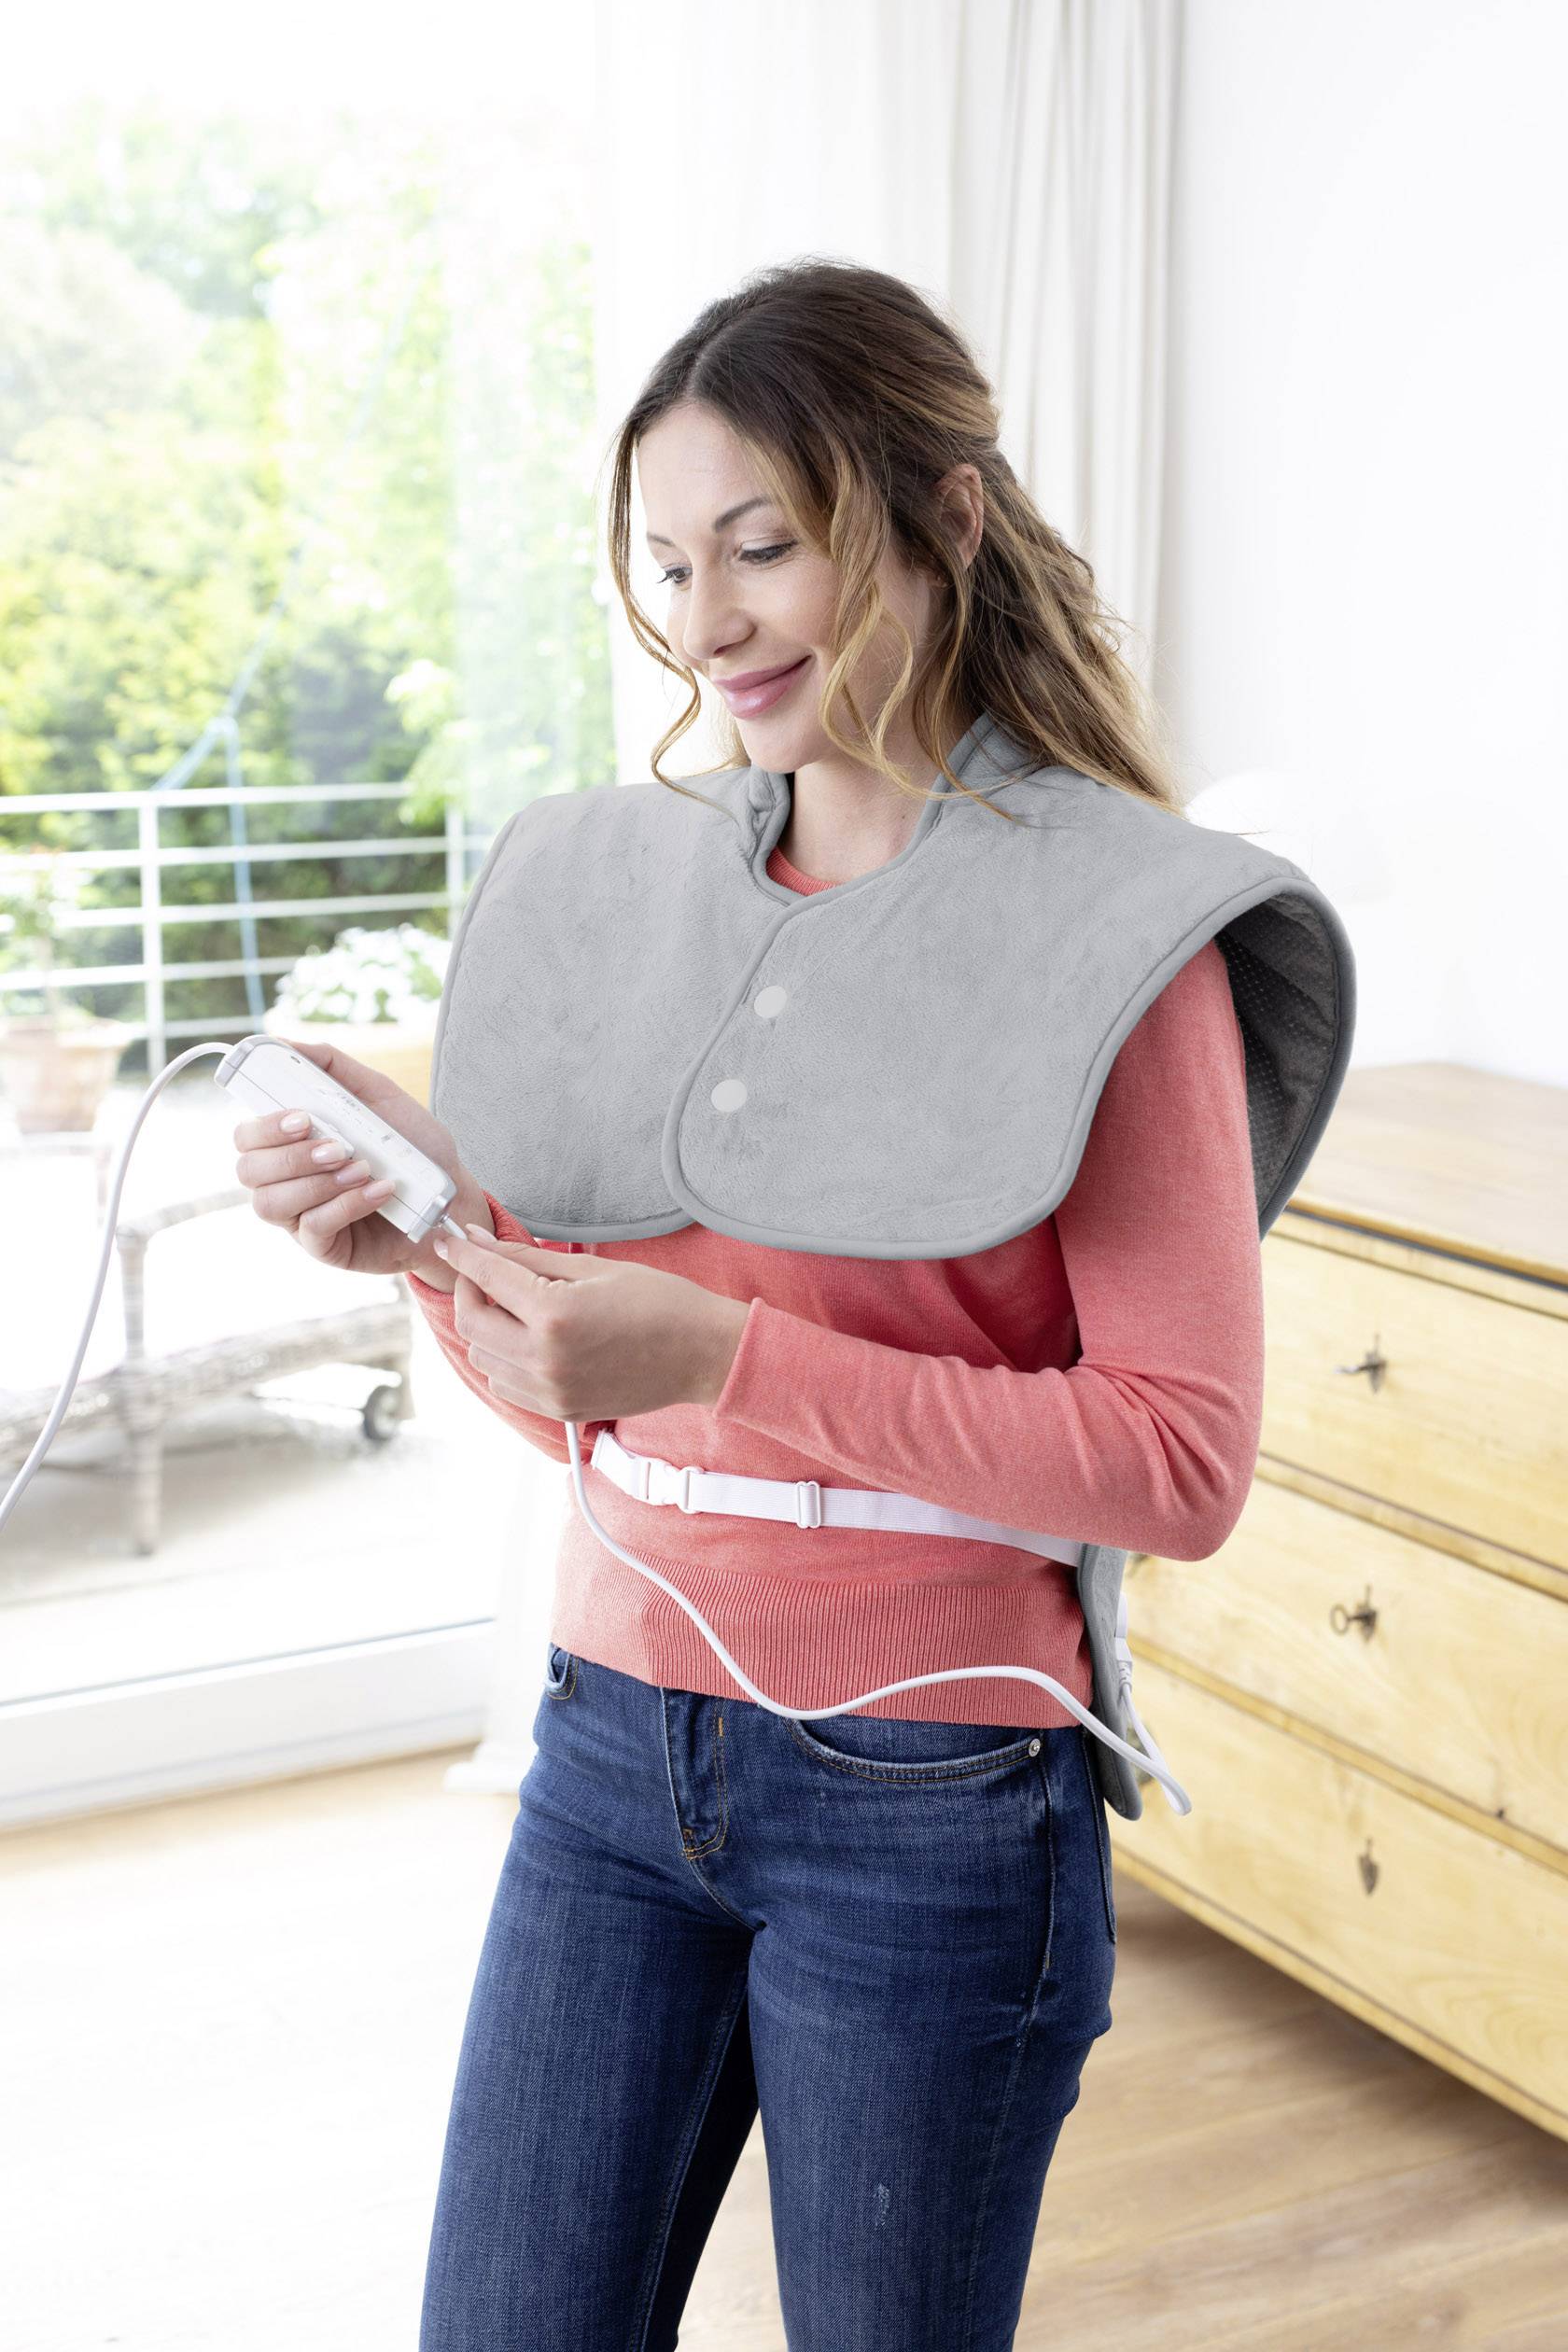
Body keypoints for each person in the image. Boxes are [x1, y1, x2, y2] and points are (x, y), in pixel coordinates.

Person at [231, 258, 1266, 2351]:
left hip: (938, 1798)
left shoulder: (1119, 937)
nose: (706, 622)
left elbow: (1176, 1462)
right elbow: (595, 1412)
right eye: (670, 562)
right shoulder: (648, 901)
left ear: (943, 518)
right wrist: (431, 1249)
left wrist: (721, 1354)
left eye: (764, 547)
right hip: (611, 1742)